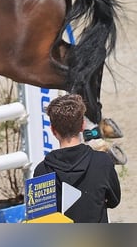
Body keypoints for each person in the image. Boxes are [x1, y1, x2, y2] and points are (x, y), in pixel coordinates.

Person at [33, 93, 121, 223]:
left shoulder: (42, 171)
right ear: (82, 126)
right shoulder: (102, 162)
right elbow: (114, 201)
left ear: (53, 130)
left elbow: (40, 219)